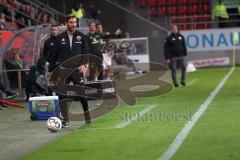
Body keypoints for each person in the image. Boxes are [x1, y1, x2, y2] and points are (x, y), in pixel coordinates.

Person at [50, 15, 90, 127]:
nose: (73, 24)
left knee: (82, 93)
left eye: (75, 22)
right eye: (71, 22)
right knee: (61, 94)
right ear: (66, 23)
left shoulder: (81, 36)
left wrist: (85, 64)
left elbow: (85, 52)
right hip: (62, 70)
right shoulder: (59, 38)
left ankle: (87, 114)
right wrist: (51, 70)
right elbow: (54, 56)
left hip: (76, 70)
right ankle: (66, 120)